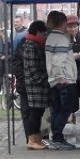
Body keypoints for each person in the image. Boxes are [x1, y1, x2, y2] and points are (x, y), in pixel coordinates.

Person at [45, 12, 78, 150]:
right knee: (65, 109)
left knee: (57, 109)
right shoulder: (62, 39)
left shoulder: (50, 37)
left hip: (53, 79)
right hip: (64, 80)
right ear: (63, 23)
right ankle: (58, 137)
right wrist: (61, 77)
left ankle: (56, 136)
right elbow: (59, 60)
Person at [17, 20, 50, 150]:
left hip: (37, 84)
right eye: (44, 33)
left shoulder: (34, 44)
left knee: (38, 112)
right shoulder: (30, 45)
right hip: (35, 85)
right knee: (34, 113)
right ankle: (32, 139)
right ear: (38, 32)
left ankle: (37, 138)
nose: (45, 36)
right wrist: (43, 80)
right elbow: (32, 68)